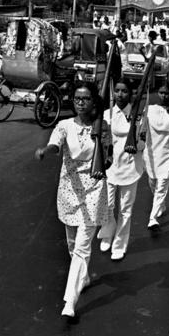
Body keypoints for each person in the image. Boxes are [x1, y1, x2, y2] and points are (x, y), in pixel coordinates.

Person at [35, 82, 110, 318]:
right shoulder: (64, 125)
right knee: (71, 243)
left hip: (94, 190)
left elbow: (108, 159)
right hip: (69, 190)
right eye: (77, 99)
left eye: (85, 99)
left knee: (82, 246)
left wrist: (103, 157)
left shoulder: (102, 126)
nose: (80, 103)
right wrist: (44, 152)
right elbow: (54, 145)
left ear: (94, 102)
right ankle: (83, 276)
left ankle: (70, 301)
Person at [97, 79, 144, 260]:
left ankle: (119, 244)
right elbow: (102, 141)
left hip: (131, 167)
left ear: (130, 94)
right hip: (111, 166)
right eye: (117, 90)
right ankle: (107, 233)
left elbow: (143, 142)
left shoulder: (139, 115)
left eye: (124, 91)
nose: (120, 95)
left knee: (125, 209)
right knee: (107, 205)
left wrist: (136, 144)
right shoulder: (107, 114)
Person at [143, 85, 169, 228]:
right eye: (161, 93)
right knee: (153, 182)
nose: (164, 96)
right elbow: (142, 127)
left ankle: (152, 218)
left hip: (168, 153)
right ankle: (161, 205)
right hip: (151, 152)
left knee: (162, 185)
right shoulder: (150, 109)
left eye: (167, 93)